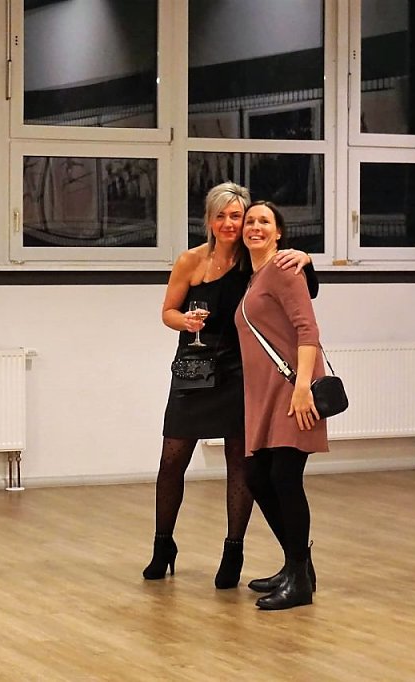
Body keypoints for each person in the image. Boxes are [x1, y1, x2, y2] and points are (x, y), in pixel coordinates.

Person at [143, 182, 318, 588]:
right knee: (172, 459)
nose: (229, 223)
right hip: (193, 367)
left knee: (241, 463)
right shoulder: (190, 260)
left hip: (240, 371)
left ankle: (233, 551)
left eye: (236, 216)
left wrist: (306, 257)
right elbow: (168, 311)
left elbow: (302, 288)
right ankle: (163, 544)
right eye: (220, 215)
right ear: (208, 220)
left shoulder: (253, 262)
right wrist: (183, 321)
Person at [234, 200, 329, 611]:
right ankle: (296, 565)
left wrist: (303, 387)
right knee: (258, 477)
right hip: (266, 394)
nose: (254, 226)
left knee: (285, 478)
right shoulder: (255, 276)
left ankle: (299, 580)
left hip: (293, 390)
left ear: (278, 233)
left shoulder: (285, 268)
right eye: (250, 221)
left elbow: (308, 330)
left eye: (264, 221)